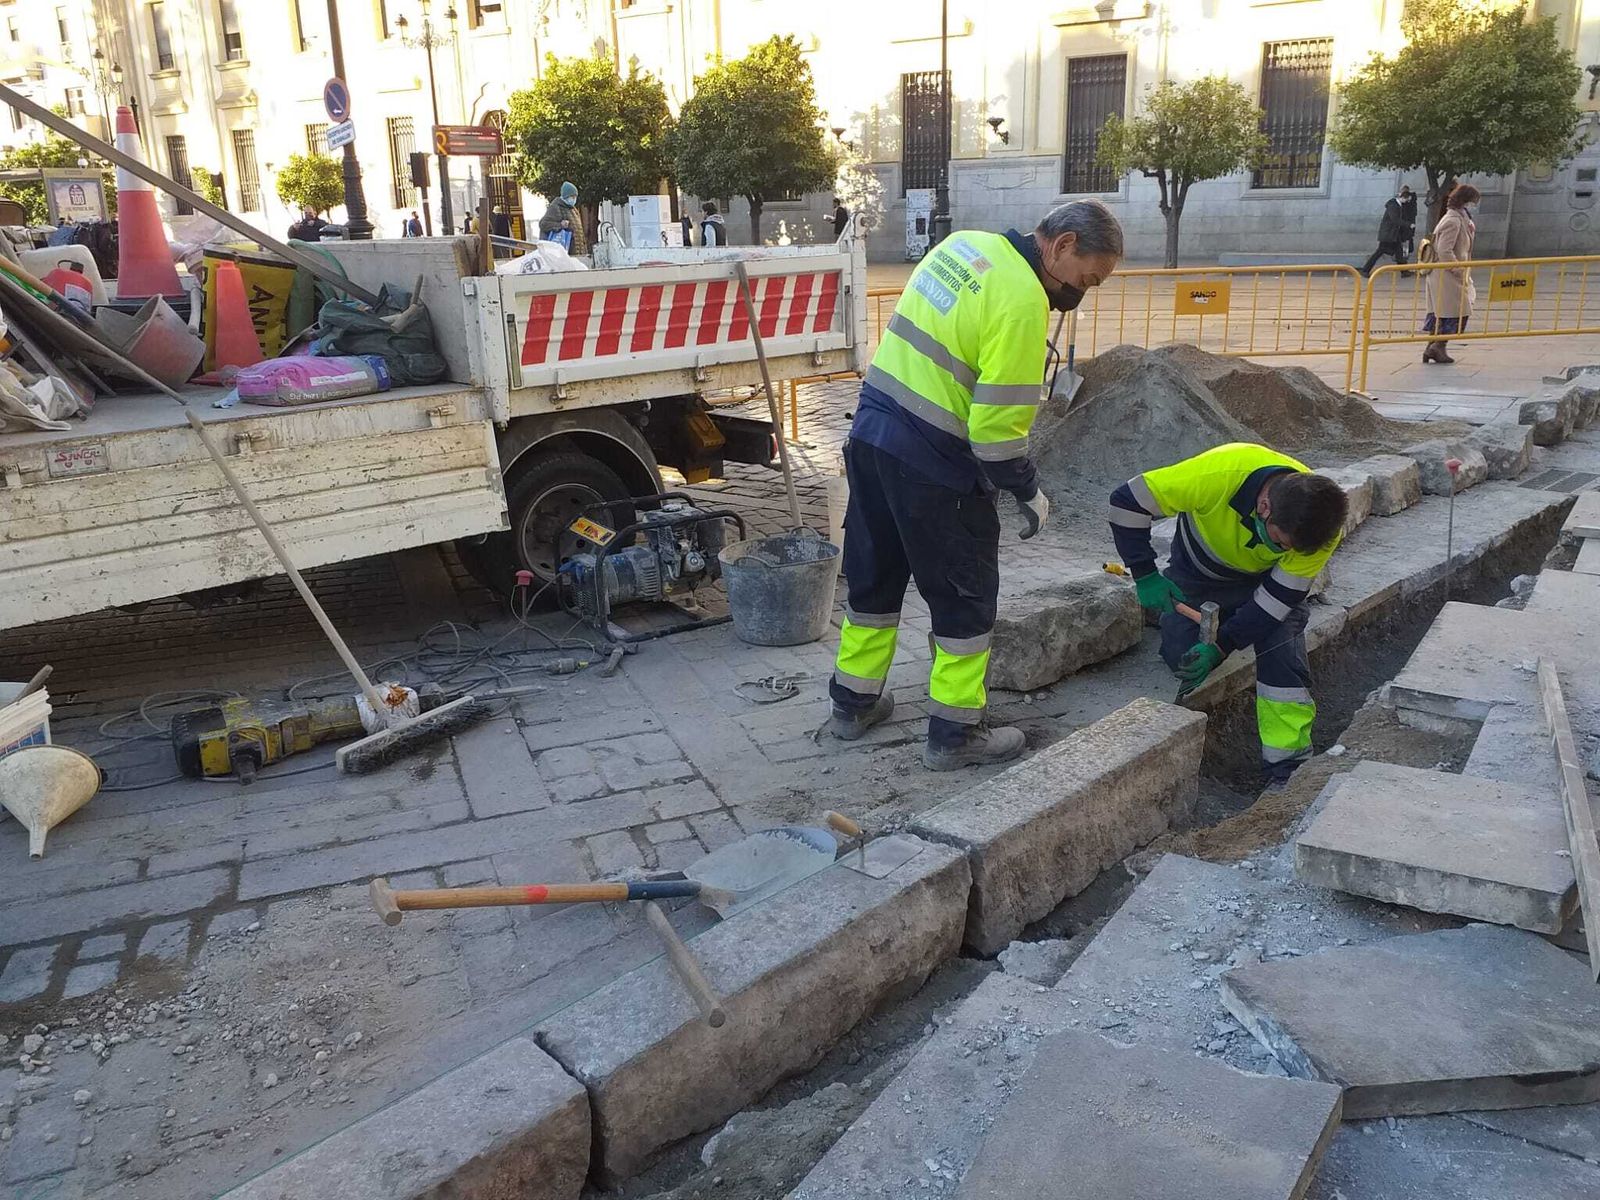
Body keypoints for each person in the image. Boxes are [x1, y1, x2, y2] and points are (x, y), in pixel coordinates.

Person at [829, 200, 1124, 770]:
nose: (1084, 291)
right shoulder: (1021, 302)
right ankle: (954, 735)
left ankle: (851, 704)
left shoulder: (964, 246)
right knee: (964, 601)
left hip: (870, 435)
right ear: (1061, 246)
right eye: (1088, 278)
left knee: (874, 580)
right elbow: (995, 435)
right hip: (934, 462)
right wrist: (1027, 491)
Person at [1108, 444, 1348, 787]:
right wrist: (1145, 574)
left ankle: (1287, 769)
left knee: (1279, 642)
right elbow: (1126, 501)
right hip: (1198, 576)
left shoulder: (1318, 530)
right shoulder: (1218, 476)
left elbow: (1278, 599)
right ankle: (1223, 616)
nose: (1285, 550)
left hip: (1264, 584)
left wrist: (1223, 644)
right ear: (1264, 507)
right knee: (1182, 658)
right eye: (1280, 542)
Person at [1421, 183, 1479, 364]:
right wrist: (1458, 269)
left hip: (1448, 274)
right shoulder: (1453, 220)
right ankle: (1437, 347)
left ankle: (1432, 348)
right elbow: (1444, 250)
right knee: (1452, 312)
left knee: (1443, 312)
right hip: (1447, 275)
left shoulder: (1458, 217)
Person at [1360, 186, 1416, 276]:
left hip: (1393, 234)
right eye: (1407, 200)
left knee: (1399, 253)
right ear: (1403, 198)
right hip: (1388, 234)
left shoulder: (1397, 205)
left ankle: (1404, 271)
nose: (1407, 202)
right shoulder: (1393, 205)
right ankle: (1365, 270)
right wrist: (1408, 224)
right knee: (1379, 252)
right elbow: (1395, 219)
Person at [539, 181, 587, 255]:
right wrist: (560, 225)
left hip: (577, 254)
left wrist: (584, 251)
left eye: (575, 197)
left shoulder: (573, 209)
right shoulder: (556, 207)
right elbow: (543, 224)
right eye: (572, 197)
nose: (574, 199)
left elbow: (579, 234)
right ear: (566, 196)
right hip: (565, 254)